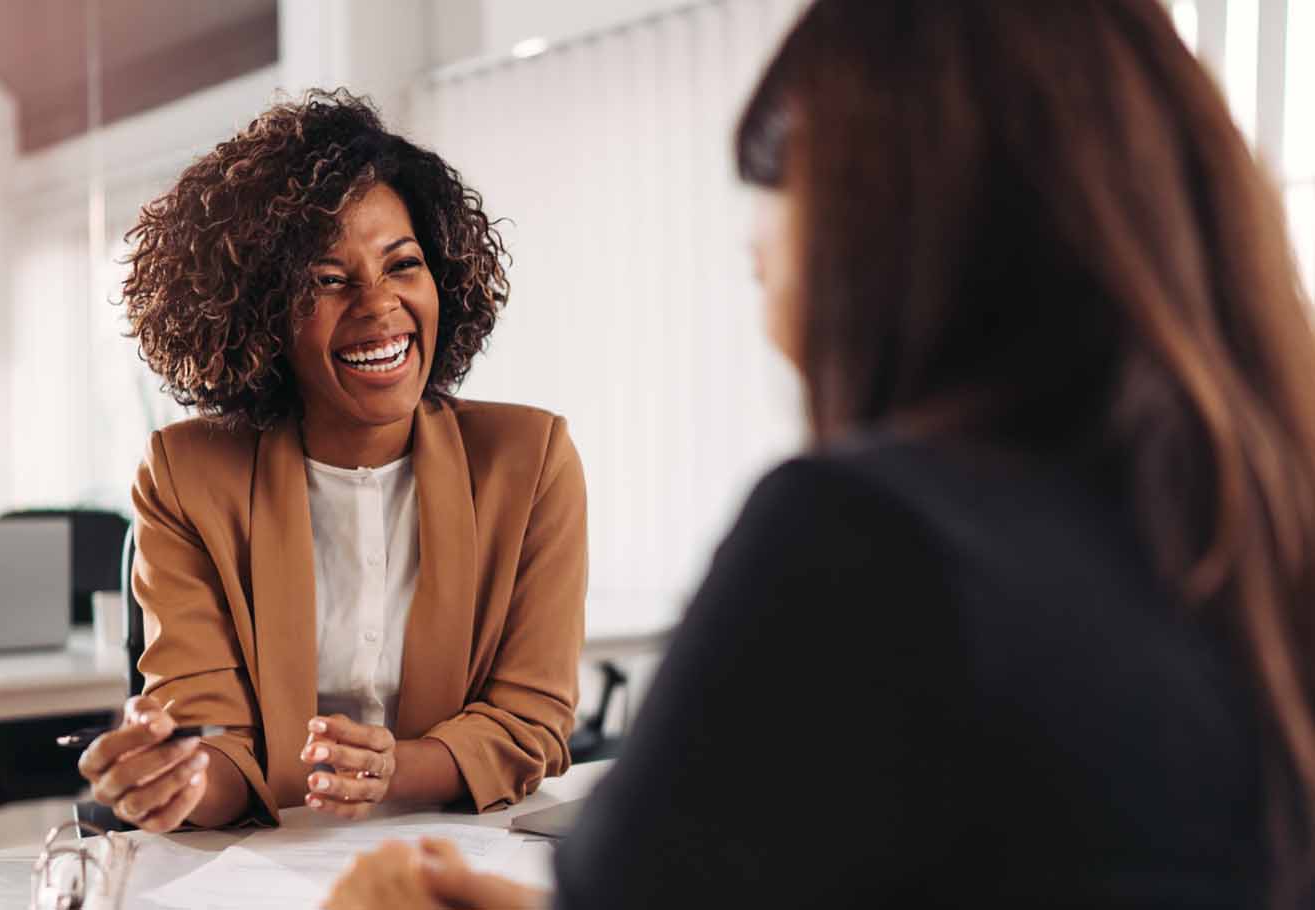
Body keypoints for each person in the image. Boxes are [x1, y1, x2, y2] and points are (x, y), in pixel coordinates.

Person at [325, 0, 1315, 906]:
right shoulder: (1253, 531)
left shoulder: (869, 540)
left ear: (889, 225)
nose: (760, 269)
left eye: (778, 190)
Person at [75, 90, 587, 833]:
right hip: (264, 866)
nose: (378, 306)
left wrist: (392, 769)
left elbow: (529, 721)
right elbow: (216, 745)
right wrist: (174, 779)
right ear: (260, 313)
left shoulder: (530, 461)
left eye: (402, 264)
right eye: (326, 279)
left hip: (457, 852)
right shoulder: (187, 476)